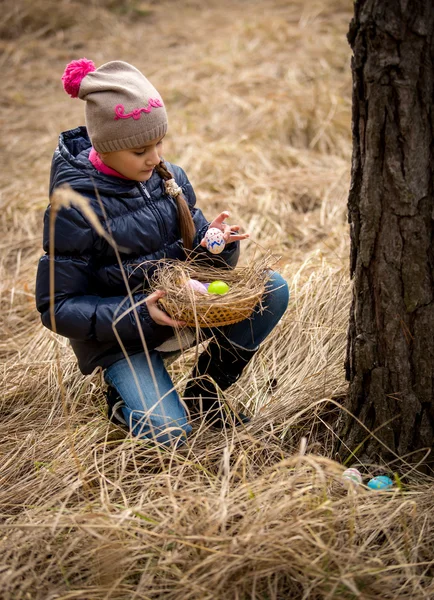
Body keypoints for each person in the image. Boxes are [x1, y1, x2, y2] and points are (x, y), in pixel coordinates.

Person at [35, 58, 289, 447]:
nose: (154, 158)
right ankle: (123, 400)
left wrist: (215, 246)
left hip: (184, 311)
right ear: (106, 145)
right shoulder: (73, 208)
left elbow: (200, 267)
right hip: (123, 337)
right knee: (170, 432)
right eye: (140, 150)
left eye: (158, 143)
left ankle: (205, 393)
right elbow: (57, 305)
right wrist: (139, 312)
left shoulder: (169, 179)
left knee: (272, 289)